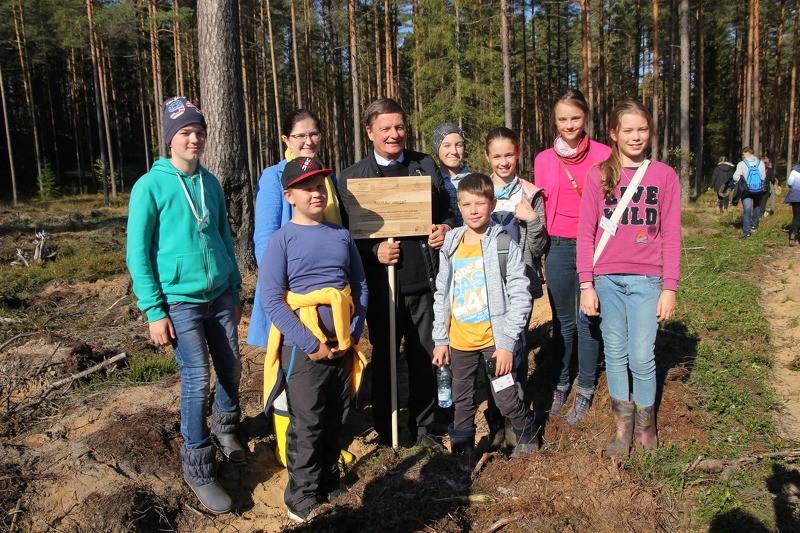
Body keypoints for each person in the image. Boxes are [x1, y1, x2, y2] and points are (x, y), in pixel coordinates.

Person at [126, 96, 244, 514]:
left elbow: (224, 237)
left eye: (199, 132)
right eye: (185, 133)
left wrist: (234, 286)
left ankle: (227, 429)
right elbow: (137, 253)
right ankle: (198, 466)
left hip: (220, 296)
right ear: (169, 140)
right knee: (197, 379)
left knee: (231, 367)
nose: (194, 139)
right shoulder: (150, 185)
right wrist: (154, 311)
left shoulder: (209, 182)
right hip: (179, 302)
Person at [337, 98, 455, 447]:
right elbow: (346, 238)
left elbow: (447, 208)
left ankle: (423, 427)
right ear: (370, 132)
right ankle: (388, 429)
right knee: (387, 359)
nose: (394, 134)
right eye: (386, 128)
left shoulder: (424, 165)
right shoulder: (351, 178)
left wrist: (445, 227)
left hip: (424, 283)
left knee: (422, 357)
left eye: (399, 127)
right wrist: (374, 252)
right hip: (383, 289)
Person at [260, 156, 368, 523]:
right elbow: (272, 301)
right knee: (308, 423)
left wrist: (352, 332)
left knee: (336, 417)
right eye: (306, 187)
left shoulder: (340, 235)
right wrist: (311, 344)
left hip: (342, 345)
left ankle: (327, 481)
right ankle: (301, 497)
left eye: (320, 184)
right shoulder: (282, 240)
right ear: (289, 195)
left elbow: (361, 286)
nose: (316, 192)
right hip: (304, 353)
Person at [577, 100, 681, 460]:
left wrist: (670, 287)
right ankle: (622, 430)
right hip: (606, 280)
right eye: (628, 130)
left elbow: (671, 235)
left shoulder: (664, 176)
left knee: (642, 357)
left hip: (647, 282)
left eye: (642, 129)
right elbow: (585, 233)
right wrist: (586, 285)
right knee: (616, 355)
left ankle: (645, 428)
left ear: (649, 133)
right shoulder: (598, 175)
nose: (635, 137)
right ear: (614, 134)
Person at [246, 109, 345, 467]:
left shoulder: (323, 179)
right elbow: (263, 238)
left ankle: (317, 448)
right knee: (287, 373)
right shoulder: (275, 178)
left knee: (315, 378)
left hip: (325, 302)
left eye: (314, 135)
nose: (308, 142)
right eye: (300, 135)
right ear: (286, 139)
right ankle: (289, 452)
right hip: (290, 297)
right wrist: (284, 290)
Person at [431, 173, 537, 458]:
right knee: (462, 401)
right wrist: (440, 339)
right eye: (466, 204)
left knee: (505, 397)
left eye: (480, 203)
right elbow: (442, 293)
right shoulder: (451, 244)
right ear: (459, 206)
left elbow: (520, 296)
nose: (473, 210)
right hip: (459, 342)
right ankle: (462, 455)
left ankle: (527, 436)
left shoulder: (503, 245)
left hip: (494, 342)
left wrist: (505, 345)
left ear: (492, 203)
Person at [533, 89, 612, 424]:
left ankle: (587, 387)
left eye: (575, 118)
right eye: (562, 119)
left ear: (586, 119)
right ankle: (562, 382)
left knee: (588, 318)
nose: (569, 125)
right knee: (563, 321)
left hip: (594, 245)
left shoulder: (606, 154)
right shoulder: (543, 159)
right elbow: (540, 209)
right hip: (560, 247)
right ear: (555, 121)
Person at [483, 126, 547, 446]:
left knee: (517, 354)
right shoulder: (481, 193)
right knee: (493, 355)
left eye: (509, 154)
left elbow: (538, 248)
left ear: (518, 152)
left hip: (519, 286)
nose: (504, 161)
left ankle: (516, 425)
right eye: (497, 155)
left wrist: (532, 219)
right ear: (487, 157)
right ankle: (499, 418)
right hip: (487, 287)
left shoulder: (531, 193)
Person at [432, 122, 470, 226]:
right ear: (437, 149)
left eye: (459, 145)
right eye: (447, 145)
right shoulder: (432, 182)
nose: (454, 151)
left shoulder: (474, 181)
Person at [732, 146, 766, 237]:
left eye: (743, 153)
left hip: (746, 190)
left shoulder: (742, 164)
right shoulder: (761, 163)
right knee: (757, 206)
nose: (743, 155)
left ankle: (747, 230)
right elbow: (763, 176)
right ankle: (755, 225)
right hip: (758, 189)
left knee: (747, 209)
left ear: (747, 153)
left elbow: (735, 177)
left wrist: (741, 180)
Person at [786, 164, 800, 245]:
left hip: (795, 197)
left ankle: (793, 234)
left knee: (796, 217)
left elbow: (789, 183)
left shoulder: (794, 171)